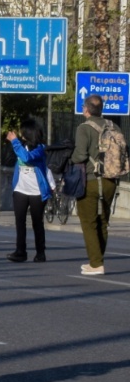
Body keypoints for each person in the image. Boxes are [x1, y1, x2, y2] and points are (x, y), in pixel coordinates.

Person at [71, 94, 120, 275]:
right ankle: (97, 259)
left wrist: (70, 158)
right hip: (110, 181)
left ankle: (96, 264)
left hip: (90, 181)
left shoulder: (84, 128)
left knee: (88, 222)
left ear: (86, 109)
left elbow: (81, 155)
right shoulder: (113, 126)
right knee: (103, 222)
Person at [6, 118, 51, 263]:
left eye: (22, 131)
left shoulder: (40, 149)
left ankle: (40, 252)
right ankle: (20, 251)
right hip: (20, 189)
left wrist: (14, 141)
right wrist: (14, 144)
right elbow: (15, 158)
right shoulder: (21, 146)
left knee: (37, 222)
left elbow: (27, 158)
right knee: (20, 221)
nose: (20, 134)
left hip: (37, 191)